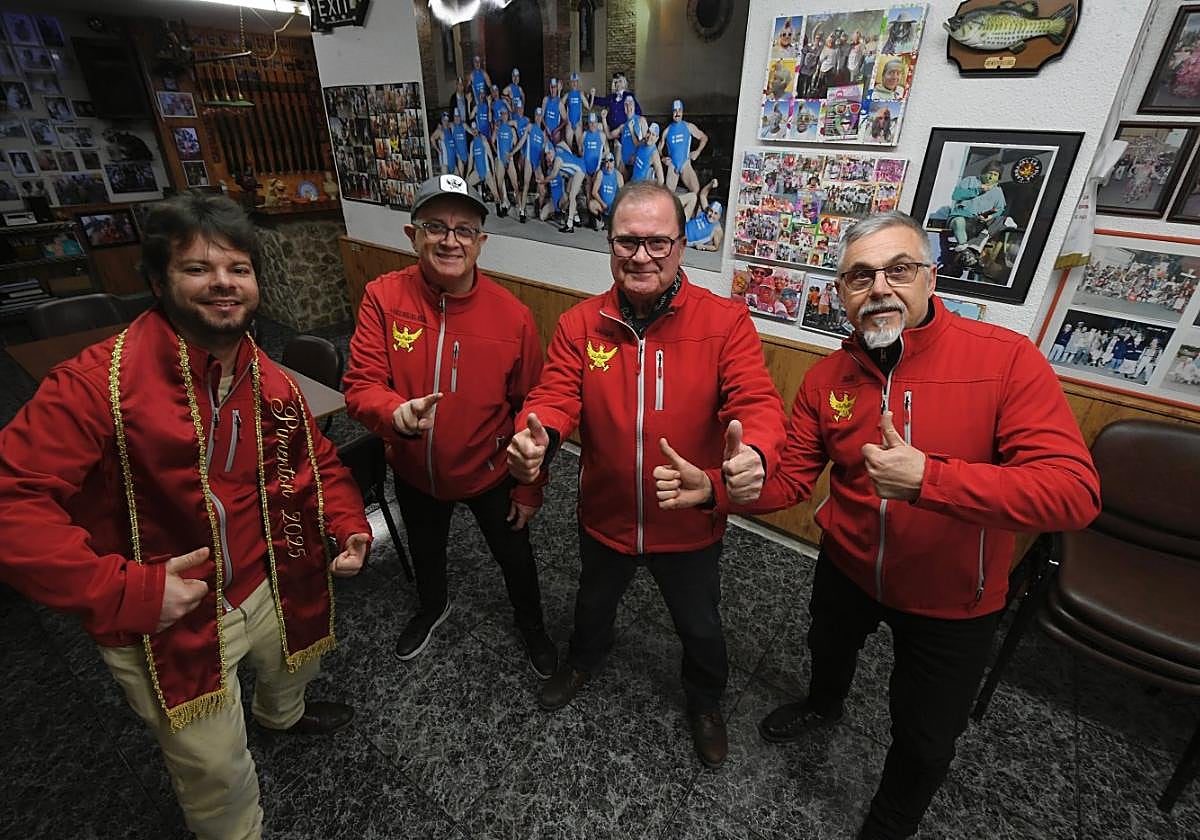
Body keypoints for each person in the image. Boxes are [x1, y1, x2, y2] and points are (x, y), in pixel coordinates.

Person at [655, 211, 1100, 839]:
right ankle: (823, 705)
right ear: (840, 294)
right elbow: (789, 482)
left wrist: (931, 479)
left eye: (899, 270)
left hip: (955, 601)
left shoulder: (1005, 361)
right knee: (826, 651)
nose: (880, 288)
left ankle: (888, 826)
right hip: (849, 567)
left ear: (930, 277)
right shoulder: (827, 378)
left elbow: (1074, 494)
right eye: (859, 277)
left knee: (924, 741)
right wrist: (718, 489)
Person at [0, 192, 373, 840]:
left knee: (295, 667)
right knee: (215, 769)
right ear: (156, 281)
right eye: (199, 268)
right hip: (165, 612)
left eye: (239, 267)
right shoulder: (93, 386)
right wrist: (125, 590)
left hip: (272, 579)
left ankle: (281, 717)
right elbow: (11, 505)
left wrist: (348, 527)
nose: (224, 282)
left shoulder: (268, 378)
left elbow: (318, 459)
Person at [505, 181, 787, 770]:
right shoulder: (583, 324)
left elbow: (755, 401)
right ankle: (583, 660)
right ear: (610, 247)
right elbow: (555, 394)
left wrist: (753, 452)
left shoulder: (724, 322)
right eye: (628, 242)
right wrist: (542, 434)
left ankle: (705, 702)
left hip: (688, 520)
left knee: (701, 626)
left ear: (683, 246)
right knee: (592, 605)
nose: (641, 256)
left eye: (657, 242)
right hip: (605, 514)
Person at [342, 174, 556, 676]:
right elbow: (361, 383)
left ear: (481, 242)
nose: (449, 240)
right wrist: (392, 413)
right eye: (435, 226)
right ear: (412, 235)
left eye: (464, 229)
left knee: (516, 559)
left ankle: (533, 627)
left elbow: (534, 411)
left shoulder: (514, 317)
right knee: (425, 550)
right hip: (414, 471)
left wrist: (531, 488)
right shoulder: (383, 297)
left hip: (489, 471)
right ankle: (432, 607)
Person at [930, 161, 1006, 254]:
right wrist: (977, 190)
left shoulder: (997, 191)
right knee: (959, 222)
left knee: (1000, 222)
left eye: (995, 175)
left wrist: (989, 216)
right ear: (984, 172)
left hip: (977, 222)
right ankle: (965, 252)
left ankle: (971, 252)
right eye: (990, 173)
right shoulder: (970, 180)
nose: (991, 177)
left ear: (999, 177)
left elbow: (1000, 209)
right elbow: (956, 195)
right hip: (959, 217)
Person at [661, 99, 708, 196]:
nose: (677, 113)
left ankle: (688, 210)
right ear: (672, 113)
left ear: (682, 112)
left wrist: (697, 152)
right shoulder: (667, 131)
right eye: (675, 111)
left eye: (679, 110)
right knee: (668, 196)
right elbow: (658, 149)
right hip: (673, 165)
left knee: (696, 190)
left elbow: (704, 138)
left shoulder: (688, 126)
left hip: (685, 163)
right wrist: (663, 158)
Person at [680, 177, 723, 252]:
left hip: (682, 237)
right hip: (681, 224)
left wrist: (703, 247)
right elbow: (702, 195)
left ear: (719, 216)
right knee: (693, 196)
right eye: (711, 211)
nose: (711, 215)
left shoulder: (717, 229)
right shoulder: (706, 211)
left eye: (715, 213)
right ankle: (668, 204)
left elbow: (716, 247)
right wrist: (711, 184)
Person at [587, 151, 624, 230]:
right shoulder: (600, 173)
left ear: (614, 163)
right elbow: (594, 192)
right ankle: (600, 219)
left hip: (612, 206)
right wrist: (603, 204)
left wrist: (614, 206)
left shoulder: (618, 176)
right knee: (591, 204)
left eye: (611, 162)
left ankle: (611, 221)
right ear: (604, 163)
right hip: (602, 205)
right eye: (607, 162)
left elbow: (622, 195)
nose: (609, 165)